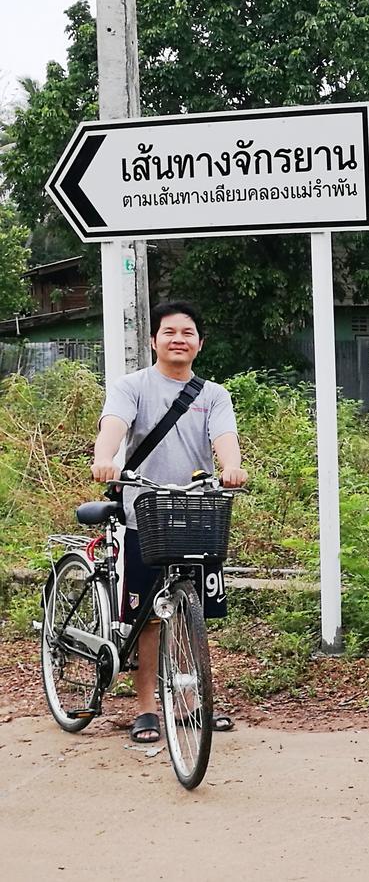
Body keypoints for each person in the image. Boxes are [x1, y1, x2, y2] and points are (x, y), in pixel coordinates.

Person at [91, 301, 247, 744]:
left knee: (189, 613)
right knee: (150, 618)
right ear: (154, 340)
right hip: (145, 512)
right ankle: (145, 709)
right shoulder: (133, 386)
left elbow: (225, 438)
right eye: (169, 332)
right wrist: (105, 458)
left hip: (196, 512)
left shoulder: (213, 394)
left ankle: (190, 705)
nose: (178, 339)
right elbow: (115, 425)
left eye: (187, 332)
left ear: (199, 342)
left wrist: (232, 467)